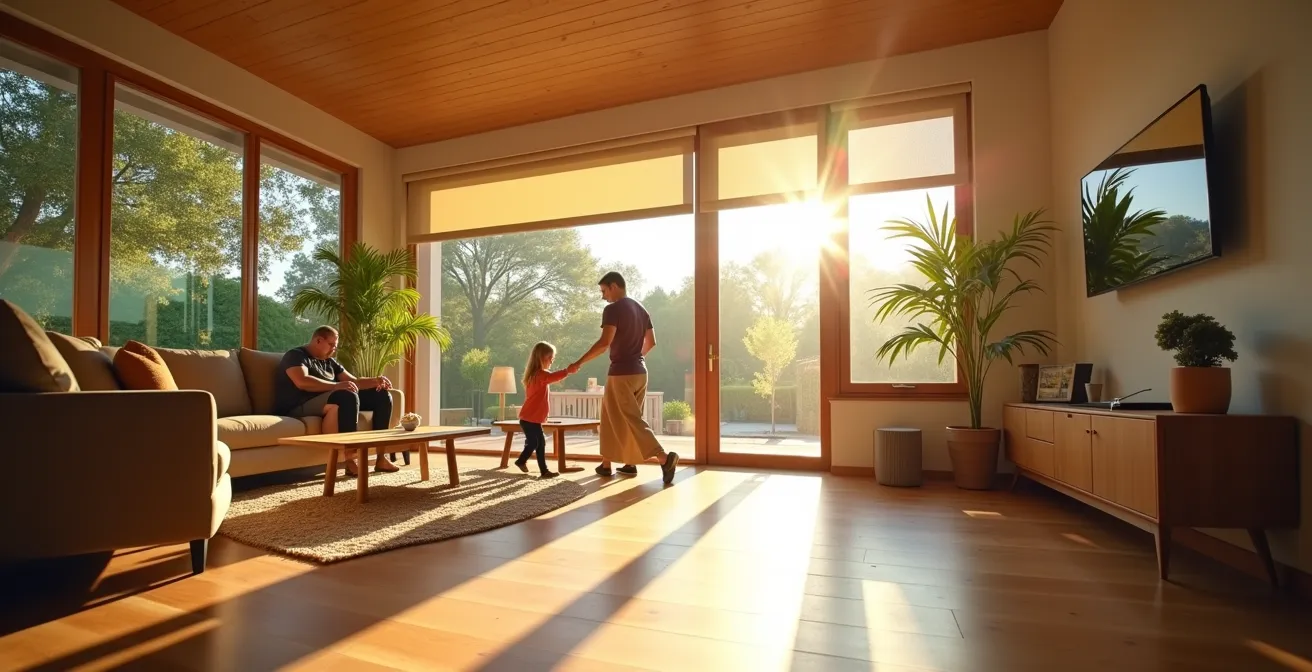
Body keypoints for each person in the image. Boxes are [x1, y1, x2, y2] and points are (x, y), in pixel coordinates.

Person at [569, 272, 679, 484]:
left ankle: (663, 457)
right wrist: (636, 357)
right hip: (640, 372)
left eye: (603, 291)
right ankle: (619, 464)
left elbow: (604, 343)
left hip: (621, 374)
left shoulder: (613, 309)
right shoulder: (641, 309)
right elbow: (651, 342)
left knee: (628, 419)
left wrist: (578, 362)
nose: (603, 297)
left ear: (613, 286)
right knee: (616, 418)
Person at [275, 325, 395, 477]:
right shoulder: (296, 355)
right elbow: (302, 381)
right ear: (319, 340)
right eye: (331, 345)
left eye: (335, 346)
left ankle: (381, 458)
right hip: (299, 405)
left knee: (382, 396)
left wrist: (376, 381)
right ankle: (350, 460)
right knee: (346, 394)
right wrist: (337, 385)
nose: (334, 349)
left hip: (330, 399)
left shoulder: (330, 362)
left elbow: (354, 382)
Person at [515, 342, 578, 478]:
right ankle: (521, 461)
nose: (552, 360)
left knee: (540, 443)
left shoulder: (534, 375)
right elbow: (553, 377)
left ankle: (544, 471)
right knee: (534, 442)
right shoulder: (540, 375)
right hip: (529, 419)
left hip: (531, 419)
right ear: (541, 357)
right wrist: (567, 371)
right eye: (550, 357)